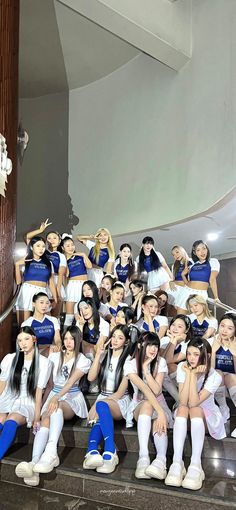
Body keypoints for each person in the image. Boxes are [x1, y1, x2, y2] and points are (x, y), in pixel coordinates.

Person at [83, 325, 167, 474]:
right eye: (113, 336)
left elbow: (135, 391)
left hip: (126, 399)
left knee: (102, 407)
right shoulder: (112, 358)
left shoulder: (130, 360)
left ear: (127, 341)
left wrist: (98, 404)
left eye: (120, 337)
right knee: (101, 409)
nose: (115, 340)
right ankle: (94, 452)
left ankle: (111, 452)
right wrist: (98, 355)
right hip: (114, 398)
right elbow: (90, 378)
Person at [15, 326, 91, 486]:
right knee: (45, 420)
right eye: (66, 338)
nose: (68, 342)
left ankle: (51, 452)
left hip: (71, 397)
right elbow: (49, 386)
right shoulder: (55, 356)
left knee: (56, 407)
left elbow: (70, 382)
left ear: (78, 340)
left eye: (72, 338)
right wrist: (41, 408)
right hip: (53, 395)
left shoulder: (83, 360)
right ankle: (34, 464)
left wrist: (56, 398)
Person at [165, 337, 225, 490]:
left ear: (207, 356)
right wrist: (190, 374)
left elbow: (194, 402)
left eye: (196, 354)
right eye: (189, 354)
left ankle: (195, 465)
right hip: (187, 413)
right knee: (183, 409)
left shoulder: (215, 376)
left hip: (207, 415)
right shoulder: (182, 368)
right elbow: (184, 401)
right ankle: (177, 463)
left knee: (195, 409)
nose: (191, 358)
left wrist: (191, 376)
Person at [125, 332, 172, 479]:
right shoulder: (130, 363)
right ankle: (143, 457)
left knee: (158, 421)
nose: (153, 349)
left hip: (159, 402)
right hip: (140, 404)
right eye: (149, 345)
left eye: (156, 345)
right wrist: (161, 413)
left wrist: (147, 370)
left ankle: (161, 460)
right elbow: (145, 390)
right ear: (140, 345)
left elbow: (157, 390)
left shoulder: (160, 362)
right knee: (147, 405)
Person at [0, 327, 51, 461]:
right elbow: (2, 385)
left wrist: (37, 416)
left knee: (11, 420)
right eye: (20, 340)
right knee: (0, 419)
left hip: (27, 401)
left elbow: (39, 392)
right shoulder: (10, 359)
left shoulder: (44, 363)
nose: (23, 343)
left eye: (26, 339)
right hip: (8, 397)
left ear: (34, 339)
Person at [25, 219, 67, 317]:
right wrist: (40, 230)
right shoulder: (41, 251)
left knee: (53, 315)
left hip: (55, 283)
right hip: (42, 283)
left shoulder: (61, 256)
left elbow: (60, 275)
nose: (51, 240)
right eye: (49, 238)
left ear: (59, 240)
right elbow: (28, 238)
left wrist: (57, 291)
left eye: (54, 238)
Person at [15, 236, 57, 324]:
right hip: (27, 291)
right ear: (31, 247)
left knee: (47, 321)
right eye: (38, 246)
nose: (41, 249)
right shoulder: (26, 261)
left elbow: (51, 282)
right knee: (25, 324)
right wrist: (17, 265)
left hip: (42, 291)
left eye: (43, 246)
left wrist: (55, 298)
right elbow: (18, 282)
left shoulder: (48, 263)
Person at [210, 313, 236, 435]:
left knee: (230, 376)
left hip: (233, 384)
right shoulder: (211, 341)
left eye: (230, 328)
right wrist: (213, 352)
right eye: (222, 326)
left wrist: (234, 354)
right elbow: (209, 371)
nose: (224, 330)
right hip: (216, 384)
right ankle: (224, 408)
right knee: (218, 373)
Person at [61, 234, 92, 328]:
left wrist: (83, 255)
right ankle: (65, 337)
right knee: (69, 316)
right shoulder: (64, 260)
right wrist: (65, 260)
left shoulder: (80, 256)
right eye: (67, 245)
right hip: (72, 286)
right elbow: (66, 275)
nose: (71, 247)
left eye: (72, 244)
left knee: (83, 313)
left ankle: (81, 337)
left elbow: (89, 266)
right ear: (63, 248)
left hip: (84, 286)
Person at [160, 315, 193, 402]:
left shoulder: (188, 343)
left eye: (180, 326)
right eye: (173, 325)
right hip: (166, 379)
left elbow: (168, 360)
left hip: (185, 378)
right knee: (161, 368)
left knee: (171, 367)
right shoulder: (164, 340)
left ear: (186, 330)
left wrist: (174, 341)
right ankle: (179, 400)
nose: (175, 328)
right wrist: (172, 340)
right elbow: (161, 360)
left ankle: (181, 399)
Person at [167, 245, 192, 313]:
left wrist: (174, 282)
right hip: (175, 290)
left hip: (185, 290)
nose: (176, 256)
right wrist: (171, 282)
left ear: (182, 250)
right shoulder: (174, 266)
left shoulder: (190, 262)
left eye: (177, 252)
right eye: (173, 255)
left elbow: (189, 282)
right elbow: (173, 279)